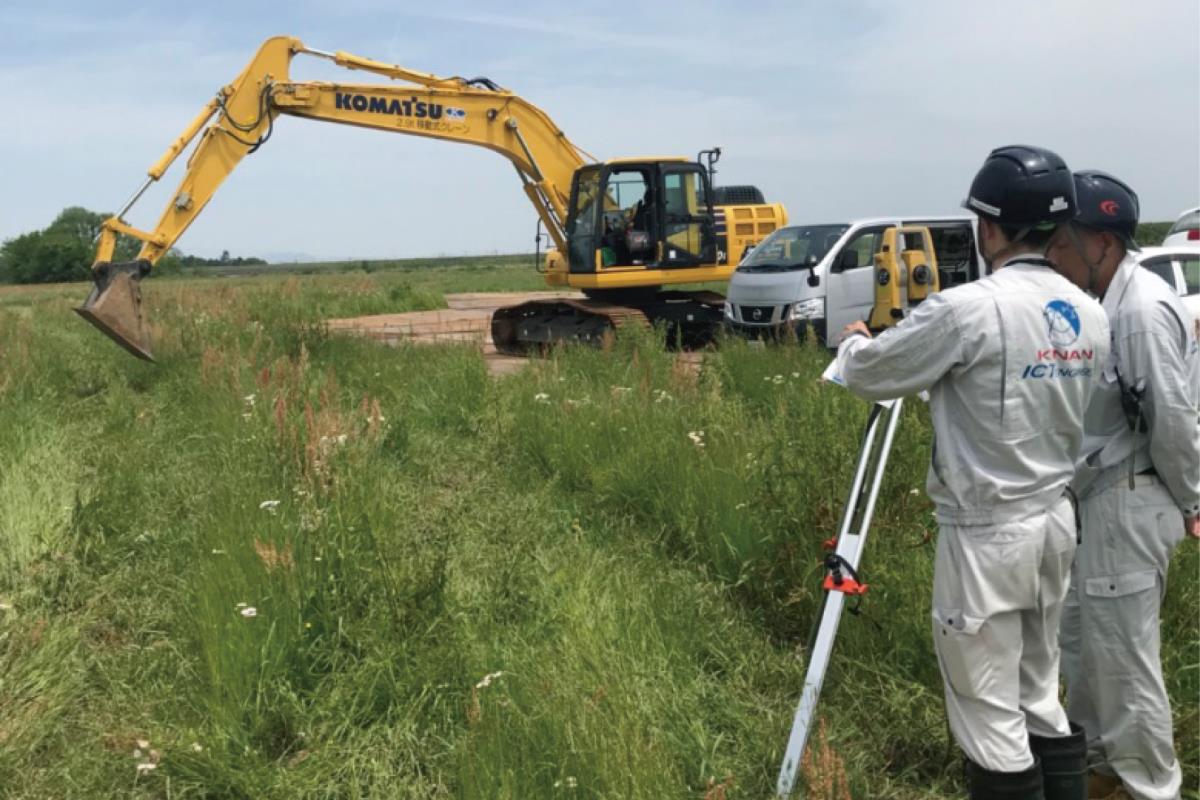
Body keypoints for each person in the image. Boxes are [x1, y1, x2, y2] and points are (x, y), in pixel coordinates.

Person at [835, 145, 1110, 799]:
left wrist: (854, 346)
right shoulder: (1089, 314)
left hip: (989, 533)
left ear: (988, 228)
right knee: (1039, 692)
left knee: (990, 717)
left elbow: (877, 373)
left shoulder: (970, 309)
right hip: (1054, 523)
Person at [1047, 171, 1200, 800]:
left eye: (1062, 241)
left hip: (1129, 501)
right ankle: (1103, 769)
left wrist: (1194, 501)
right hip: (1094, 503)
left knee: (1126, 668)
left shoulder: (1138, 311)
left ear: (1102, 243)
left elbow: (1173, 415)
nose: (1053, 254)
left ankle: (1151, 788)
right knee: (1084, 655)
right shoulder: (1098, 304)